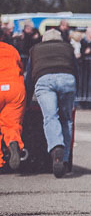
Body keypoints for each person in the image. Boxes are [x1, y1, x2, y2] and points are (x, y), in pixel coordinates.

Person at [26, 30, 78, 177]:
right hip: (68, 79)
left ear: (44, 39)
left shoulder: (35, 49)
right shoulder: (68, 48)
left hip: (45, 79)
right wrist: (76, 89)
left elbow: (29, 74)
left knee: (50, 117)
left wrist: (27, 97)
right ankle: (65, 160)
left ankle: (56, 148)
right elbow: (75, 68)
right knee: (66, 119)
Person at [0, 41, 26, 171]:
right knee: (11, 124)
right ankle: (13, 143)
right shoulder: (11, 49)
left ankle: (0, 160)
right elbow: (20, 67)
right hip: (15, 88)